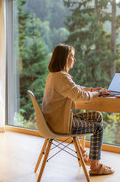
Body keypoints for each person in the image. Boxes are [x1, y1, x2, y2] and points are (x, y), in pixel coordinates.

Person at [42, 44, 114, 175]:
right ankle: (95, 166)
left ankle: (90, 158)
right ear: (64, 58)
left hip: (54, 121)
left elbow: (76, 88)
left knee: (97, 116)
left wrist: (93, 90)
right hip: (61, 124)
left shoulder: (54, 76)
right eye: (72, 56)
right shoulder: (62, 77)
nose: (74, 59)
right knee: (98, 127)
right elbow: (82, 96)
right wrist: (99, 93)